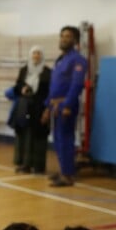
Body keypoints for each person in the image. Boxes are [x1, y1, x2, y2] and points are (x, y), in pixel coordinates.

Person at [41, 26, 87, 187]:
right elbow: (54, 86)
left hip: (66, 105)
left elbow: (76, 85)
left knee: (66, 139)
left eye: (67, 36)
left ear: (75, 40)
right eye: (62, 36)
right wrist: (47, 106)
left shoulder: (78, 60)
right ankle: (63, 170)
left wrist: (67, 104)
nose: (63, 39)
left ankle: (68, 175)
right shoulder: (61, 60)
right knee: (58, 140)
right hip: (55, 106)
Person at [7, 46, 51, 175]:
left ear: (42, 56)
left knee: (38, 137)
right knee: (24, 136)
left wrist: (47, 109)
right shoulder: (24, 70)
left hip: (40, 108)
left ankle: (38, 166)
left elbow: (49, 92)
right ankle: (24, 164)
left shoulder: (47, 72)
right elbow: (17, 86)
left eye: (38, 54)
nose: (36, 56)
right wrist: (22, 89)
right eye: (34, 54)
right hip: (25, 107)